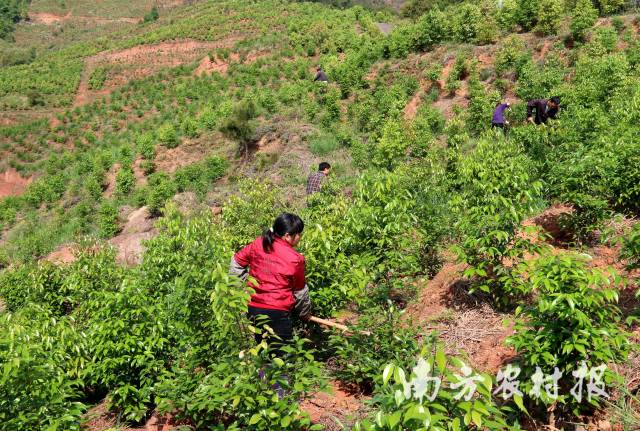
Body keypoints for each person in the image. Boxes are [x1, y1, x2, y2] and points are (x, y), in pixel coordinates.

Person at [229, 213, 311, 354]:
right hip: (277, 313)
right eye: (299, 234)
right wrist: (305, 314)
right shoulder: (295, 259)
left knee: (263, 352)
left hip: (253, 310)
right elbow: (300, 292)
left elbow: (236, 262)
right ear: (287, 235)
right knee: (282, 359)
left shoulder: (259, 243)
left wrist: (241, 290)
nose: (300, 238)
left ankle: (262, 376)